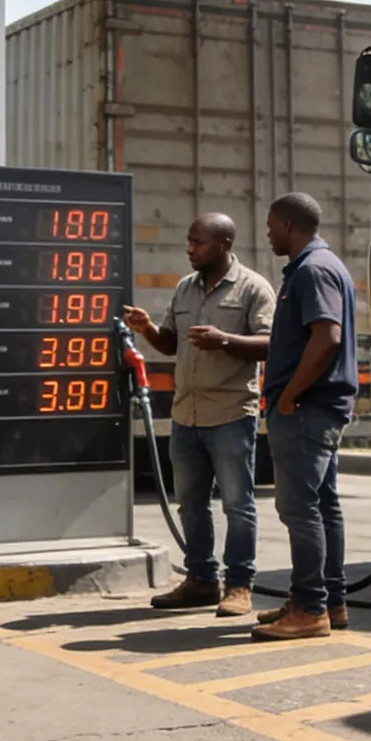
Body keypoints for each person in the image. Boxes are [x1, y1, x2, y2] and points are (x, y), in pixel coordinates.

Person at [124, 213, 274, 618]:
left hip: (229, 414)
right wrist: (148, 328)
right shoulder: (185, 289)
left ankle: (239, 584)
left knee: (238, 505)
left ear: (224, 244)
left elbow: (270, 343)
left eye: (199, 242)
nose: (190, 248)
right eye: (189, 241)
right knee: (190, 504)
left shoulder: (253, 288)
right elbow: (171, 343)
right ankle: (201, 580)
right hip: (185, 414)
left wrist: (225, 340)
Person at [251, 192, 358, 641]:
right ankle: (327, 601)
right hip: (318, 407)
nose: (268, 233)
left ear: (290, 226)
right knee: (322, 504)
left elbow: (327, 336)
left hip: (307, 408)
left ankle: (310, 609)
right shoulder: (320, 266)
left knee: (299, 507)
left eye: (272, 225)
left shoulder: (313, 270)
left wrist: (291, 394)